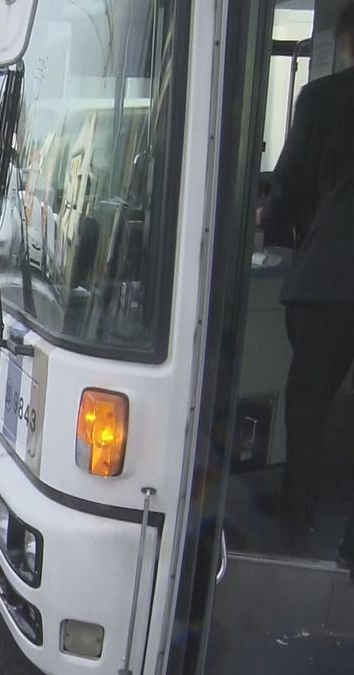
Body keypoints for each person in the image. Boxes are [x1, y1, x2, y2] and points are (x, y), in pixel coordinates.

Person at [258, 2, 354, 570]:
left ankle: (297, 519)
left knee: (309, 399)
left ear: (343, 45)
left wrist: (267, 217)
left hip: (331, 280)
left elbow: (286, 190)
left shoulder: (322, 99)